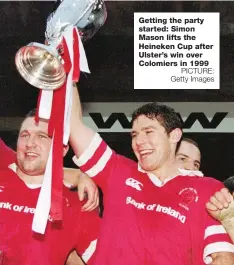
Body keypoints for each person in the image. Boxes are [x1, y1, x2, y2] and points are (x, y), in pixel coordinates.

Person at [69, 85, 234, 265]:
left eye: (148, 132)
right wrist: (66, 77)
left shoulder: (207, 188)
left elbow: (223, 257)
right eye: (134, 135)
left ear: (174, 135)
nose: (139, 141)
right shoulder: (117, 171)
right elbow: (74, 126)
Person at [0, 110, 100, 265]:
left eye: (42, 136)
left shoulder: (77, 206)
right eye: (24, 135)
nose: (30, 143)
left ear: (63, 149)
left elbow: (111, 256)